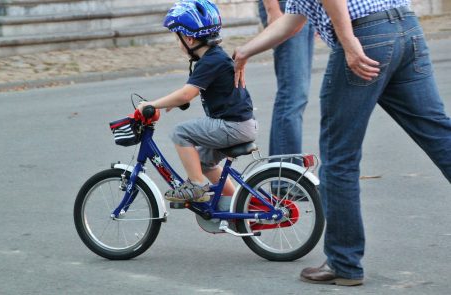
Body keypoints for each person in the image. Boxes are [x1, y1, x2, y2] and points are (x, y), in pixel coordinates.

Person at [233, 0, 451, 286]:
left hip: (365, 35)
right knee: (439, 135)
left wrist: (348, 43)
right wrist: (245, 51)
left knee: (339, 157)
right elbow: (294, 20)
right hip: (406, 29)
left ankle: (343, 262)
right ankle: (343, 260)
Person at [138, 0, 258, 203]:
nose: (178, 43)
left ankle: (195, 185)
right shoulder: (214, 58)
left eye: (178, 38)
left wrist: (151, 104)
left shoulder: (211, 61)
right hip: (241, 124)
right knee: (203, 163)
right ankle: (237, 203)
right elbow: (190, 93)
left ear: (189, 39)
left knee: (180, 132)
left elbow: (186, 94)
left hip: (232, 126)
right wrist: (173, 102)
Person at [258, 0, 314, 162]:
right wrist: (272, 9)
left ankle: (282, 173)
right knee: (293, 96)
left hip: (303, 9)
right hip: (284, 8)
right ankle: (285, 175)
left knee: (296, 97)